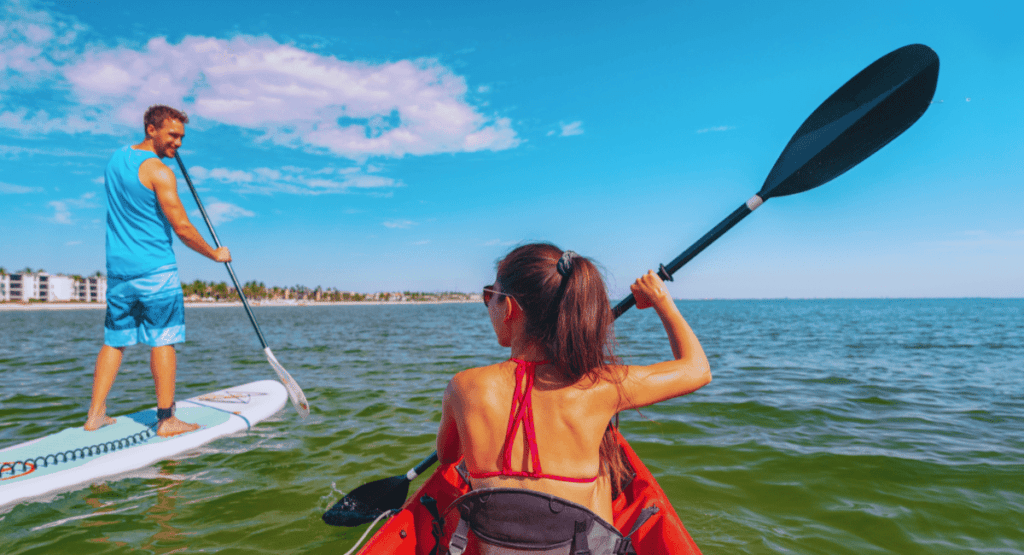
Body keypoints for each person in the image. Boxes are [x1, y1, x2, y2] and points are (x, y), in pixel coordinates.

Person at [437, 243, 711, 553]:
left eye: (491, 295)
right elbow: (698, 370)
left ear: (510, 308)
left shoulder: (462, 387)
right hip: (576, 545)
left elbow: (448, 458)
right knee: (605, 459)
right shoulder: (601, 385)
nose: (488, 305)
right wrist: (662, 301)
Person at [84, 105, 231, 437]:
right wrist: (214, 254)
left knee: (114, 342)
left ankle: (96, 414)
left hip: (119, 272)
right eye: (173, 135)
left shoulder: (116, 159)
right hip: (155, 270)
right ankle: (167, 419)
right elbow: (181, 226)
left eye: (181, 138)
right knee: (163, 341)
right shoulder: (160, 172)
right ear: (151, 129)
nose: (178, 144)